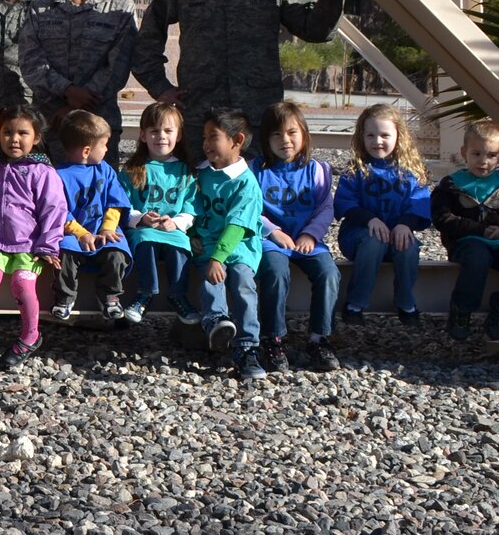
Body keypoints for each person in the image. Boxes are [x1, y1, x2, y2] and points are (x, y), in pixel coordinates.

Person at [130, 0, 348, 156]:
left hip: (258, 117)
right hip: (202, 118)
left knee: (257, 191)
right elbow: (146, 41)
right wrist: (161, 88)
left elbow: (317, 30)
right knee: (202, 191)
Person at [19, 0, 139, 159]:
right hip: (49, 125)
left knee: (98, 193)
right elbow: (30, 62)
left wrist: (78, 105)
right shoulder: (40, 9)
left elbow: (118, 67)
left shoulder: (121, 9)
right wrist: (66, 90)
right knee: (46, 193)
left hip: (98, 128)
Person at [0, 105, 68, 374]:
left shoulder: (42, 171)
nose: (15, 139)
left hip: (28, 245)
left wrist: (47, 244)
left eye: (23, 133)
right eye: (8, 132)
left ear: (35, 137)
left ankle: (30, 336)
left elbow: (54, 208)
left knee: (23, 287)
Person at [252, 101, 342, 372]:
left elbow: (326, 208)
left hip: (307, 240)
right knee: (275, 273)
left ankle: (319, 338)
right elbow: (249, 209)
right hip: (271, 240)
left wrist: (311, 235)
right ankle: (273, 338)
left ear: (303, 133)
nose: (285, 140)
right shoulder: (255, 170)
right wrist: (274, 231)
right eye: (277, 134)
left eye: (292, 132)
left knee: (329, 273)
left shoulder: (317, 170)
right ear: (266, 139)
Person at [430, 119, 499, 343]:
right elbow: (442, 218)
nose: (483, 162)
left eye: (491, 155)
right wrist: (479, 229)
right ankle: (461, 312)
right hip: (465, 242)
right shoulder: (450, 184)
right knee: (478, 258)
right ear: (463, 152)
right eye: (476, 154)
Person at [335, 103, 432, 325]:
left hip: (398, 235)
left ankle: (406, 302)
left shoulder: (411, 171)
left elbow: (420, 200)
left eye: (384, 135)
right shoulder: (356, 169)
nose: (377, 141)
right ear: (361, 137)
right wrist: (370, 219)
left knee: (409, 246)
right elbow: (344, 202)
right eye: (370, 135)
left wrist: (406, 223)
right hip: (359, 236)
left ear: (399, 136)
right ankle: (355, 303)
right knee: (374, 241)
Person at [192, 109, 267, 380]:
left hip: (239, 249)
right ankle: (216, 322)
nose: (206, 144)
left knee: (242, 281)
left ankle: (247, 347)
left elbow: (237, 226)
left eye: (214, 137)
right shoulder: (201, 175)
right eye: (204, 137)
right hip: (208, 248)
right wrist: (191, 236)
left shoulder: (246, 183)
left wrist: (218, 258)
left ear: (237, 140)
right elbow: (191, 209)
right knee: (211, 278)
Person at [120, 102, 199, 327]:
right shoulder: (133, 169)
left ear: (179, 135)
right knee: (145, 241)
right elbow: (123, 205)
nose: (161, 136)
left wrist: (175, 222)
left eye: (168, 131)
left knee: (181, 246)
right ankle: (145, 294)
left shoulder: (186, 171)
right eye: (154, 131)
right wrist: (140, 218)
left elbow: (191, 207)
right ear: (143, 135)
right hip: (144, 230)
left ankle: (178, 295)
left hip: (172, 231)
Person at [50, 110, 132, 325]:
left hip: (104, 228)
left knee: (116, 252)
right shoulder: (58, 176)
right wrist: (81, 234)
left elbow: (116, 203)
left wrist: (107, 229)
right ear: (87, 150)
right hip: (71, 231)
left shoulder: (106, 171)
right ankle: (65, 297)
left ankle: (109, 296)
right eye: (104, 145)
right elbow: (58, 211)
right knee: (62, 253)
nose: (107, 149)